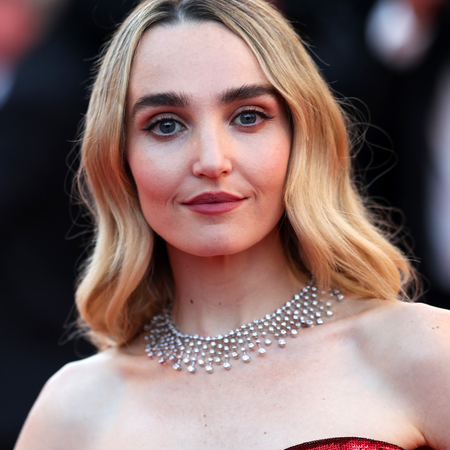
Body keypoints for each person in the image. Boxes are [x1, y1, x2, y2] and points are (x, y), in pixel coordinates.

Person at [14, 0, 450, 449]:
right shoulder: (75, 408)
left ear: (301, 138)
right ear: (119, 159)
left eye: (248, 117)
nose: (211, 160)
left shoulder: (422, 352)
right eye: (166, 125)